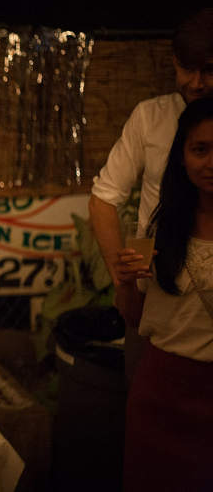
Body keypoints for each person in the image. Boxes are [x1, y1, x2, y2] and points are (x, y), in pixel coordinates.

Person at [89, 7, 213, 383]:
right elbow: (103, 198)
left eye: (209, 70)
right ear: (174, 61)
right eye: (186, 68)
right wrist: (124, 277)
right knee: (149, 397)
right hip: (155, 295)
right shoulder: (152, 117)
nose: (196, 83)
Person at [114, 96, 213, 491]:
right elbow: (134, 315)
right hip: (161, 395)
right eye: (200, 149)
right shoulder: (160, 229)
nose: (211, 162)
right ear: (182, 158)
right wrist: (124, 280)